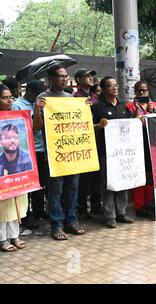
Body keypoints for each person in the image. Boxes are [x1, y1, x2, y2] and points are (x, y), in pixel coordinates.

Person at [33, 64, 86, 240]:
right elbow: (37, 128)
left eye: (65, 76)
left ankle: (71, 221)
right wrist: (37, 110)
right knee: (55, 191)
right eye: (60, 76)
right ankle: (56, 225)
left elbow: (78, 125)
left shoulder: (70, 97)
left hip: (72, 152)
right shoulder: (43, 98)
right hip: (55, 155)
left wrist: (85, 108)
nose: (64, 79)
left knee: (73, 188)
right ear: (50, 79)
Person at [92, 77, 135, 228]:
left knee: (123, 180)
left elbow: (130, 125)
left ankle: (122, 212)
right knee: (108, 183)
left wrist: (138, 120)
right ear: (103, 89)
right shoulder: (97, 107)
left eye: (116, 85)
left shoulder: (124, 106)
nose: (115, 88)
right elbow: (90, 128)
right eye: (110, 86)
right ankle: (109, 215)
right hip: (106, 152)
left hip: (123, 152)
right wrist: (99, 125)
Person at [10, 80, 47, 229]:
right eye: (38, 94)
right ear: (30, 91)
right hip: (28, 151)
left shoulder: (40, 103)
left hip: (42, 149)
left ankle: (39, 211)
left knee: (40, 184)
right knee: (28, 186)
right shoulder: (17, 105)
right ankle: (26, 215)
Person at [126, 81, 156, 219]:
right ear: (135, 91)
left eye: (144, 90)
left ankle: (150, 204)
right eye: (139, 91)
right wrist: (135, 112)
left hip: (153, 145)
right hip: (137, 145)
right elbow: (126, 124)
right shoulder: (129, 106)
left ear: (148, 91)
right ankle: (139, 206)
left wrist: (152, 110)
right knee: (139, 175)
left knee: (152, 176)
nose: (141, 93)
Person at [0, 84, 28, 252]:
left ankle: (14, 236)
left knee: (16, 201)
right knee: (3, 204)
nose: (9, 100)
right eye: (4, 97)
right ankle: (2, 239)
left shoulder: (17, 117)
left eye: (10, 97)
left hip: (16, 169)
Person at [72, 69, 102, 220]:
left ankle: (97, 205)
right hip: (82, 144)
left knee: (97, 176)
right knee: (84, 179)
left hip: (97, 142)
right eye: (87, 76)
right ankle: (82, 208)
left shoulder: (96, 97)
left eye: (91, 76)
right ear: (78, 79)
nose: (91, 78)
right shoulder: (74, 98)